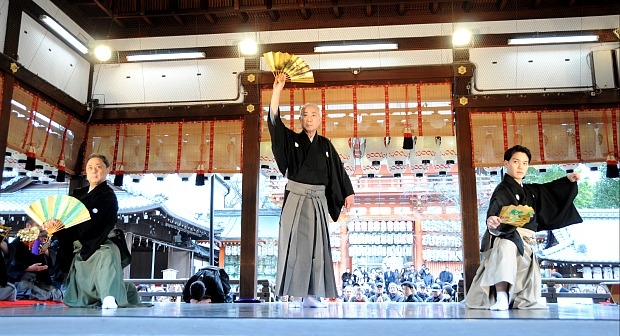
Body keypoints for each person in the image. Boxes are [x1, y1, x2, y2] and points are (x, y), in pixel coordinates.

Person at [269, 73, 355, 308]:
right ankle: (294, 293)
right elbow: (274, 122)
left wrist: (348, 192)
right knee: (294, 245)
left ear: (320, 119)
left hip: (317, 200)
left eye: (314, 114)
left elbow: (338, 170)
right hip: (296, 197)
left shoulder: (325, 145)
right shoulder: (291, 140)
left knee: (318, 247)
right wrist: (278, 89)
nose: (309, 118)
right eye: (305, 115)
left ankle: (312, 294)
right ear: (299, 119)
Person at [465, 145, 582, 311]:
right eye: (516, 161)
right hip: (508, 236)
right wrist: (492, 219)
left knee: (526, 287)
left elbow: (548, 189)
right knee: (505, 248)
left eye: (525, 163)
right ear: (506, 163)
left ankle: (520, 298)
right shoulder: (502, 189)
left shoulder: (531, 190)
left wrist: (568, 181)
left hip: (528, 240)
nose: (520, 166)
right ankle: (502, 296)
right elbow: (495, 207)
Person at [56, 153, 146, 309]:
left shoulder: (108, 195)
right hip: (80, 243)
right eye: (90, 168)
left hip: (102, 240)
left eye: (98, 167)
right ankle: (120, 291)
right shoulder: (77, 194)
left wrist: (78, 229)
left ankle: (109, 296)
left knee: (107, 255)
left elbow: (99, 223)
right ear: (85, 171)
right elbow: (66, 218)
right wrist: (56, 226)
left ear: (107, 170)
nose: (94, 171)